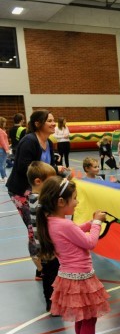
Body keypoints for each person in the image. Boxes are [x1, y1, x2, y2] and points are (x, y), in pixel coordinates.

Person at [36, 176, 114, 334]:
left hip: (68, 276)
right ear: (61, 202)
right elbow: (89, 243)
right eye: (74, 199)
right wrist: (96, 223)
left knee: (83, 317)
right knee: (89, 318)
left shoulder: (52, 221)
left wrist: (88, 223)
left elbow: (73, 233)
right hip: (81, 277)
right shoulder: (65, 224)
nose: (77, 202)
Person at [6, 110, 67, 280]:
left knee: (45, 226)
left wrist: (62, 176)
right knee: (34, 229)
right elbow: (24, 168)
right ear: (38, 124)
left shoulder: (49, 143)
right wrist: (55, 171)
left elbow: (51, 168)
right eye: (50, 121)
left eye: (54, 120)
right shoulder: (29, 141)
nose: (54, 123)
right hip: (22, 191)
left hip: (40, 191)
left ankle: (47, 261)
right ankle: (40, 268)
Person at [27, 161, 60, 311]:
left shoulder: (35, 197)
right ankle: (52, 304)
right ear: (38, 182)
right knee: (50, 275)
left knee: (51, 273)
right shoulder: (38, 201)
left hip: (45, 243)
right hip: (46, 245)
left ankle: (54, 301)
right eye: (50, 182)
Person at [0, 117, 9, 184]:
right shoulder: (0, 131)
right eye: (4, 122)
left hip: (2, 149)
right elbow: (2, 141)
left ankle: (3, 177)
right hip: (2, 149)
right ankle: (4, 177)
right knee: (2, 164)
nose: (5, 124)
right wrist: (6, 149)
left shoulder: (2, 130)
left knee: (1, 164)